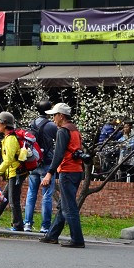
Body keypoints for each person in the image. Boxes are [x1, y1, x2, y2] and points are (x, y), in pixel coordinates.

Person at [38, 103, 86, 248]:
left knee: (69, 207)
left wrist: (49, 173)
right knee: (63, 205)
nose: (53, 119)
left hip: (67, 170)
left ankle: (77, 239)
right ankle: (52, 235)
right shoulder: (75, 130)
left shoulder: (62, 131)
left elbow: (58, 154)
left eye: (54, 115)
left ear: (61, 116)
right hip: (77, 170)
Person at [23, 100, 59, 234]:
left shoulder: (32, 123)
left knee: (31, 193)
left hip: (34, 162)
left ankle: (27, 223)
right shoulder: (51, 126)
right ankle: (45, 226)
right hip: (47, 162)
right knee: (47, 195)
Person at [0, 111, 25, 232]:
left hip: (15, 173)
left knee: (13, 201)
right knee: (3, 199)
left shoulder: (10, 139)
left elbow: (8, 160)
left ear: (4, 124)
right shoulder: (8, 138)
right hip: (14, 173)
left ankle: (18, 226)